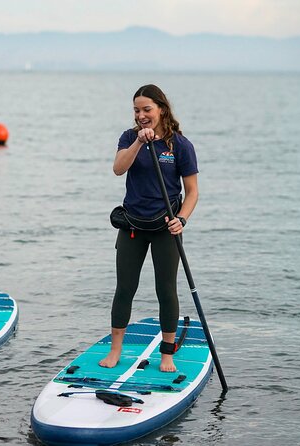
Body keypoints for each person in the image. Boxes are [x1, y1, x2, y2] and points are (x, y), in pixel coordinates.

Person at [99, 84, 199, 372]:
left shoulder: (180, 145)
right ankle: (115, 350)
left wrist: (182, 219)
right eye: (136, 110)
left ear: (161, 110)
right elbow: (118, 168)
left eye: (147, 109)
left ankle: (167, 355)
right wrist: (140, 143)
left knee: (165, 290)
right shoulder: (129, 138)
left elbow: (192, 192)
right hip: (132, 225)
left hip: (166, 227)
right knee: (124, 288)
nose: (141, 115)